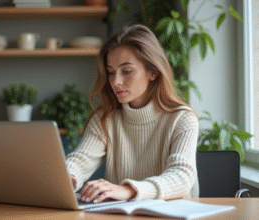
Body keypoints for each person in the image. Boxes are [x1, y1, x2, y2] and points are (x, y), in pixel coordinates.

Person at [65, 24, 199, 204]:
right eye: (111, 72)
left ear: (152, 72)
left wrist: (128, 190)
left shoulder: (183, 119)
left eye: (126, 71)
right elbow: (81, 160)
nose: (115, 81)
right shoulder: (105, 118)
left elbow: (181, 176)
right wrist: (68, 176)